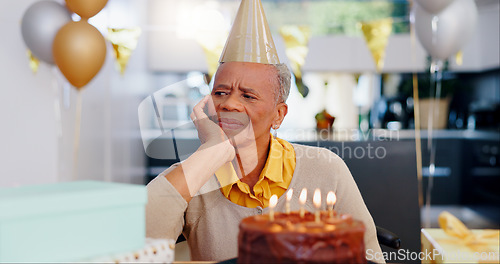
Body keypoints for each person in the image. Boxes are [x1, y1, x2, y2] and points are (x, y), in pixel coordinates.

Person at [146, 0, 384, 262]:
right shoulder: (192, 174)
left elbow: (370, 256)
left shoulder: (326, 169)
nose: (229, 104)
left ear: (278, 115)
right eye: (220, 93)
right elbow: (134, 242)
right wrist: (211, 152)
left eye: (248, 96)